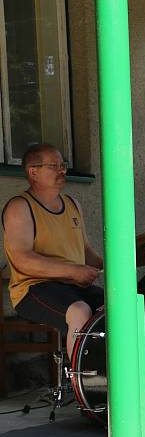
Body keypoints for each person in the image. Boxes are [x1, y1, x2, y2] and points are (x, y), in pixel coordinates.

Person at [2, 144, 104, 357]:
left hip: (73, 286)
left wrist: (110, 266)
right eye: (54, 166)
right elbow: (22, 258)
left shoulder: (73, 204)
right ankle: (80, 384)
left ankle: (111, 378)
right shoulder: (19, 207)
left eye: (63, 165)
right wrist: (73, 271)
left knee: (118, 305)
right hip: (33, 289)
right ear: (33, 172)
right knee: (79, 310)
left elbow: (84, 250)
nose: (63, 171)